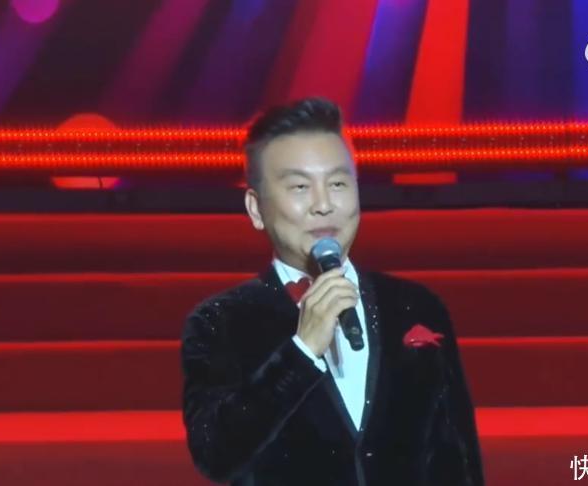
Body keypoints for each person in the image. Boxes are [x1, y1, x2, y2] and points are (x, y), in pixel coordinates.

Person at [180, 97, 484, 486]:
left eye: (338, 183)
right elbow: (216, 456)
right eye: (300, 187)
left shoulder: (415, 306)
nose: (324, 205)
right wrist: (302, 352)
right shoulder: (220, 321)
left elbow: (457, 454)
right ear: (256, 209)